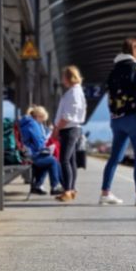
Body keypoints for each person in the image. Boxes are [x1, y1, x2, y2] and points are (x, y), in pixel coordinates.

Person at [100, 37, 136, 206]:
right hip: (134, 119)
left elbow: (110, 98)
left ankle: (105, 193)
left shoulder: (113, 71)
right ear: (134, 49)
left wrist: (114, 116)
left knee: (114, 157)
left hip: (117, 120)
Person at [53, 65, 87, 202]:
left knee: (64, 160)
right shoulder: (75, 91)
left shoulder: (74, 93)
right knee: (71, 160)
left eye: (63, 77)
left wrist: (57, 129)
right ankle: (71, 189)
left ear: (68, 77)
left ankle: (67, 190)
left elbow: (68, 116)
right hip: (72, 129)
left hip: (69, 129)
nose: (62, 80)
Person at [18, 105, 63, 195]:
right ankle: (55, 186)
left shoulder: (28, 122)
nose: (42, 122)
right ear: (39, 116)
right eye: (42, 119)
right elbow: (38, 142)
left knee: (48, 160)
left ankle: (38, 185)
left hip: (27, 152)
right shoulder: (33, 124)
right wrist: (45, 147)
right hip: (31, 154)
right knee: (53, 161)